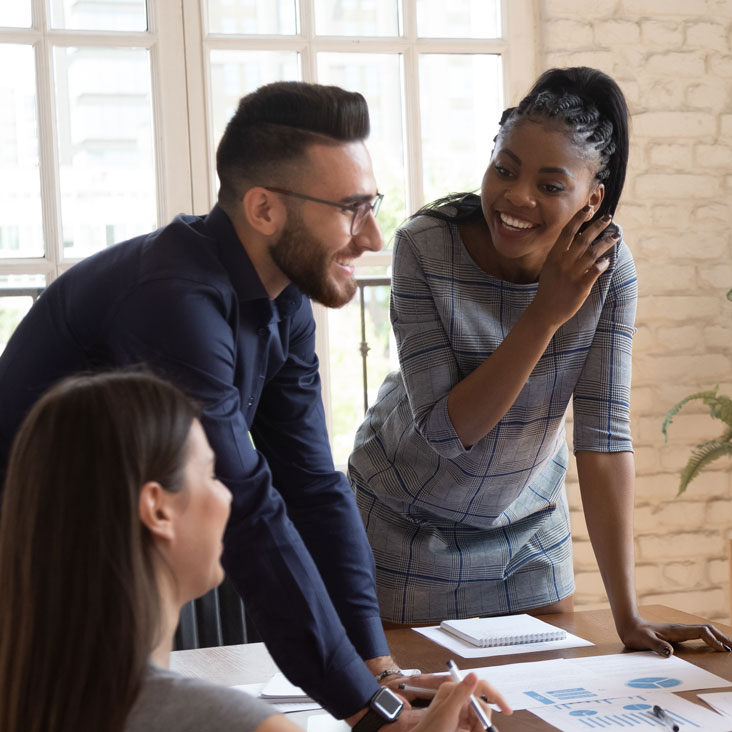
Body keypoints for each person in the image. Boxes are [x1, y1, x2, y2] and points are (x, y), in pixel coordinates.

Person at [0, 81, 416, 725]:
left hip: (125, 565)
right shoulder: (175, 301)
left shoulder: (284, 300)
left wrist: (378, 671)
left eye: (373, 205)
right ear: (264, 209)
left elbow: (309, 485)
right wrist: (371, 713)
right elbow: (247, 506)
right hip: (32, 586)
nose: (371, 238)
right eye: (352, 208)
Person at [349, 67, 732, 654]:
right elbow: (451, 431)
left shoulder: (609, 270)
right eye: (505, 169)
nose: (517, 197)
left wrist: (629, 617)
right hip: (403, 530)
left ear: (592, 197)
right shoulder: (424, 246)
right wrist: (545, 313)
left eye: (551, 185)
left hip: (527, 536)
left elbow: (604, 438)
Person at [0, 370, 509, 732]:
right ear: (156, 509)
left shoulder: (31, 697)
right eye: (210, 475)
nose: (228, 497)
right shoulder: (240, 724)